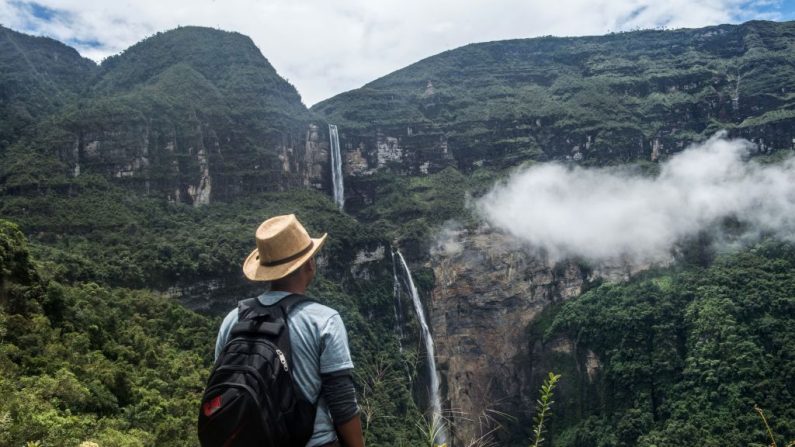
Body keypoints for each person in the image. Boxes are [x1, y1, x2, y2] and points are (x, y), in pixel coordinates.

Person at [214, 214, 365, 447]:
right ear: (310, 263)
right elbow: (342, 403)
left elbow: (224, 386)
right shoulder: (324, 320)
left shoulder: (232, 320)